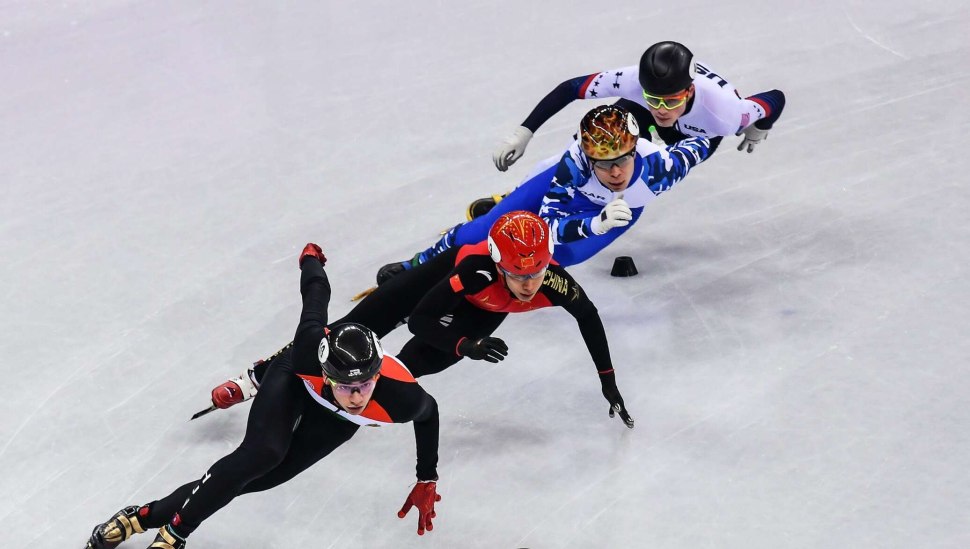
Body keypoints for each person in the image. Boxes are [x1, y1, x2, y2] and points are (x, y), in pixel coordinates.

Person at [85, 243, 442, 549]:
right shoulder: (308, 350)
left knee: (253, 480)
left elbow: (429, 415)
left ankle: (139, 517)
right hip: (294, 381)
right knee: (262, 454)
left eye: (365, 384)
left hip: (336, 421)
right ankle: (174, 535)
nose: (356, 396)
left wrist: (427, 477)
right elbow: (316, 295)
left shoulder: (401, 398)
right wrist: (310, 260)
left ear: (377, 375)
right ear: (326, 373)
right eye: (346, 386)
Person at [211, 211, 634, 429]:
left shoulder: (556, 283)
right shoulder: (476, 272)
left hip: (482, 312)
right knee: (350, 329)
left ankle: (324, 403)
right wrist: (464, 345)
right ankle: (256, 378)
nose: (528, 285)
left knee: (405, 371)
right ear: (498, 265)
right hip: (437, 285)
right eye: (517, 275)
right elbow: (420, 320)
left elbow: (589, 318)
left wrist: (608, 381)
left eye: (536, 274)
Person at [375, 102, 713, 283]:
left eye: (622, 161)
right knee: (484, 229)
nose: (614, 172)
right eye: (602, 163)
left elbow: (706, 139)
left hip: (622, 209)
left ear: (635, 152)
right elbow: (548, 226)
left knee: (560, 257)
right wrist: (595, 224)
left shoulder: (661, 170)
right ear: (588, 157)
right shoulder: (575, 163)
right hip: (573, 195)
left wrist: (741, 119)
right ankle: (418, 263)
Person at [475, 40, 786, 218]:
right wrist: (523, 132)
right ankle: (518, 196)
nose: (661, 110)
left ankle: (582, 210)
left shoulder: (726, 115)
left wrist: (760, 126)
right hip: (643, 111)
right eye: (654, 99)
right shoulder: (633, 81)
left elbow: (775, 98)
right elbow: (571, 88)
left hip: (698, 132)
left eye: (671, 101)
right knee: (591, 145)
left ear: (689, 91)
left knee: (647, 172)